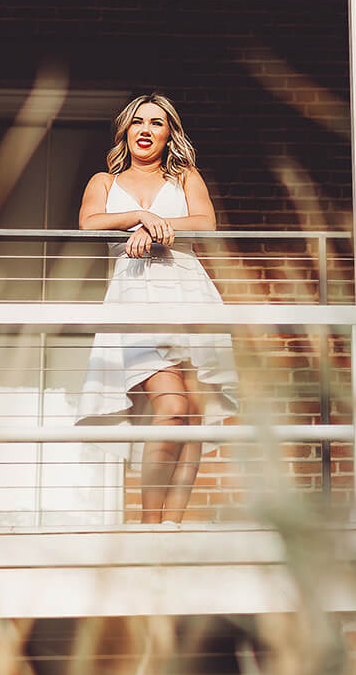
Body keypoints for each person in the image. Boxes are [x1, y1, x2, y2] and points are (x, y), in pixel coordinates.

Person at [77, 93, 237, 523]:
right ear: (125, 132)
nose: (145, 130)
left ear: (169, 136)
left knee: (194, 418)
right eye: (138, 123)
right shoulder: (103, 183)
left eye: (157, 124)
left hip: (190, 293)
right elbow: (89, 223)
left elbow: (205, 223)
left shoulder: (186, 176)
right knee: (170, 409)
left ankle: (173, 524)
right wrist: (138, 217)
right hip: (135, 298)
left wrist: (161, 228)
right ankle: (149, 524)